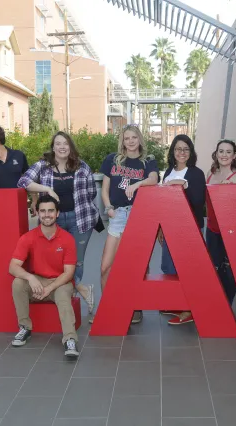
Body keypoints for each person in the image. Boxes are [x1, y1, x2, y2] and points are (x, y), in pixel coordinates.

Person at [17, 131, 99, 313]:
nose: (62, 147)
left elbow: (92, 192)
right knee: (56, 260)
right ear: (53, 147)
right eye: (58, 143)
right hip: (53, 220)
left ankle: (68, 292)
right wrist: (45, 189)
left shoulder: (82, 167)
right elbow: (23, 181)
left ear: (70, 147)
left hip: (80, 219)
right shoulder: (43, 166)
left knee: (76, 261)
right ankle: (81, 290)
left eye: (65, 144)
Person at [98, 125, 159, 324]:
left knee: (136, 264)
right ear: (122, 141)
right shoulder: (112, 159)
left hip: (137, 215)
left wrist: (136, 184)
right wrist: (108, 208)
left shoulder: (147, 161)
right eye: (127, 138)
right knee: (105, 267)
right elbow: (105, 188)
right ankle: (108, 307)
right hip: (117, 214)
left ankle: (135, 307)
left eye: (134, 137)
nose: (130, 141)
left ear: (140, 139)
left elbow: (153, 179)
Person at [9, 194, 80, 357]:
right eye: (43, 211)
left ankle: (70, 340)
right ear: (37, 212)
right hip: (38, 280)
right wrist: (31, 278)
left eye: (50, 211)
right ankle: (25, 328)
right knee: (18, 283)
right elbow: (12, 267)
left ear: (57, 213)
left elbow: (69, 273)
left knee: (62, 293)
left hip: (60, 282)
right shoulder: (28, 238)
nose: (47, 214)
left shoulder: (67, 239)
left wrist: (49, 288)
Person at [158, 135, 206, 326]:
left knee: (189, 270)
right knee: (169, 268)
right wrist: (160, 226)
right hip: (169, 227)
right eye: (178, 149)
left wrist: (183, 185)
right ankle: (177, 303)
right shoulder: (169, 171)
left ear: (191, 152)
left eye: (186, 149)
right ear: (172, 152)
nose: (182, 153)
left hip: (189, 229)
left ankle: (189, 310)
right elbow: (163, 201)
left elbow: (198, 202)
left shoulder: (196, 173)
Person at [206, 139, 236, 305]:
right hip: (212, 229)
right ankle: (217, 303)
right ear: (216, 154)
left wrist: (232, 191)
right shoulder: (211, 172)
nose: (224, 155)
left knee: (229, 269)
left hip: (228, 232)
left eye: (228, 152)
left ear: (234, 155)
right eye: (221, 151)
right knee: (214, 267)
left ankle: (226, 304)